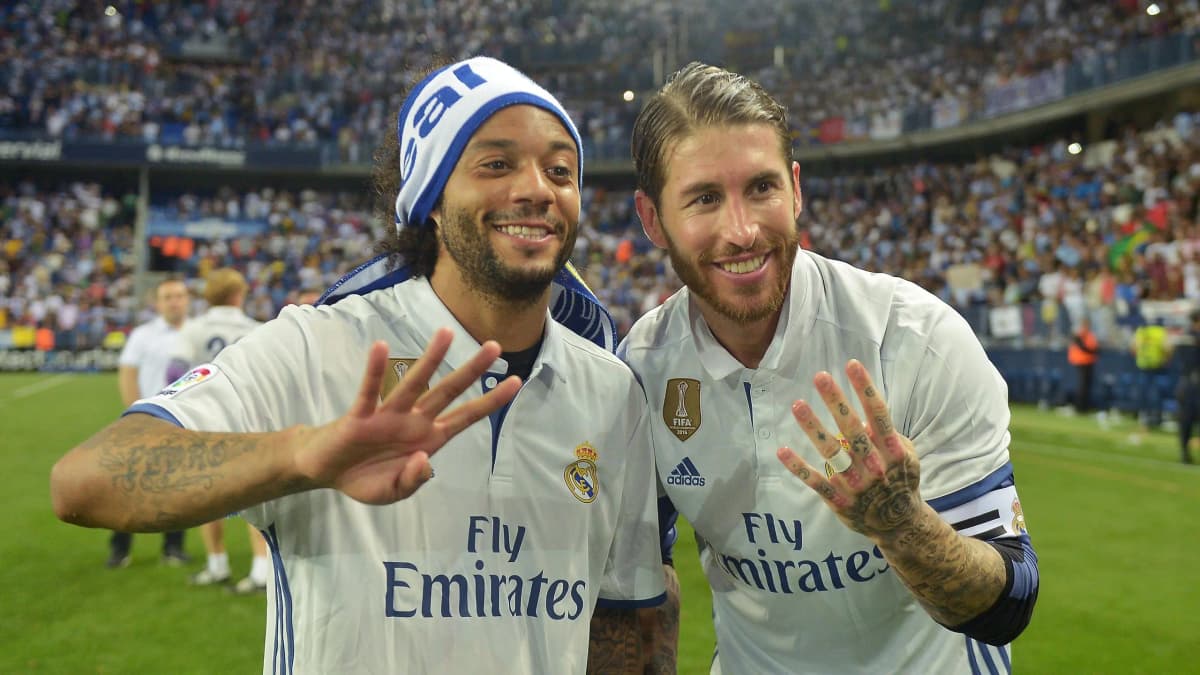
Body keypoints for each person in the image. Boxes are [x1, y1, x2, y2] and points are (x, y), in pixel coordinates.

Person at [51, 56, 666, 673]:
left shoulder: (611, 391)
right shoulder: (318, 348)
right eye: (496, 164)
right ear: (430, 197)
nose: (537, 188)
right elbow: (86, 480)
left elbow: (621, 621)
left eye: (560, 169)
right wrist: (301, 456)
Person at [620, 63, 1039, 673]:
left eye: (761, 188)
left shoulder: (915, 340)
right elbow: (638, 579)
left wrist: (902, 526)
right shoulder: (644, 368)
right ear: (653, 219)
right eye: (705, 198)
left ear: (795, 189)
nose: (741, 231)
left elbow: (1008, 605)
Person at [167, 268, 271, 593]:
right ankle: (260, 571)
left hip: (205, 421)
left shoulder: (194, 329)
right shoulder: (258, 329)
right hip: (248, 421)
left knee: (206, 494)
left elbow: (173, 370)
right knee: (254, 496)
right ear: (239, 295)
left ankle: (217, 565)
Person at [107, 277, 191, 569]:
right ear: (157, 302)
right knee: (131, 486)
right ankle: (119, 550)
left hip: (185, 421)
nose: (174, 301)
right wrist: (137, 413)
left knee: (179, 489)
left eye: (179, 296)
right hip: (148, 418)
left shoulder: (196, 333)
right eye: (168, 296)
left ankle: (174, 548)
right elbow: (128, 374)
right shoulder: (143, 335)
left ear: (187, 300)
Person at [1173, 310, 1200, 464]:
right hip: (1192, 384)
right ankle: (1185, 453)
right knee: (1186, 420)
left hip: (1185, 382)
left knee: (1186, 420)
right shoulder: (1192, 337)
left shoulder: (1184, 336)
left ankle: (1185, 452)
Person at [1067, 316, 1099, 415]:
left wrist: (1093, 351)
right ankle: (1079, 408)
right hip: (1082, 362)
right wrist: (1092, 351)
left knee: (1085, 386)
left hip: (1088, 362)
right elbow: (1086, 348)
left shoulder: (1088, 335)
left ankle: (1084, 407)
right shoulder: (1081, 334)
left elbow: (1095, 348)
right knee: (1082, 386)